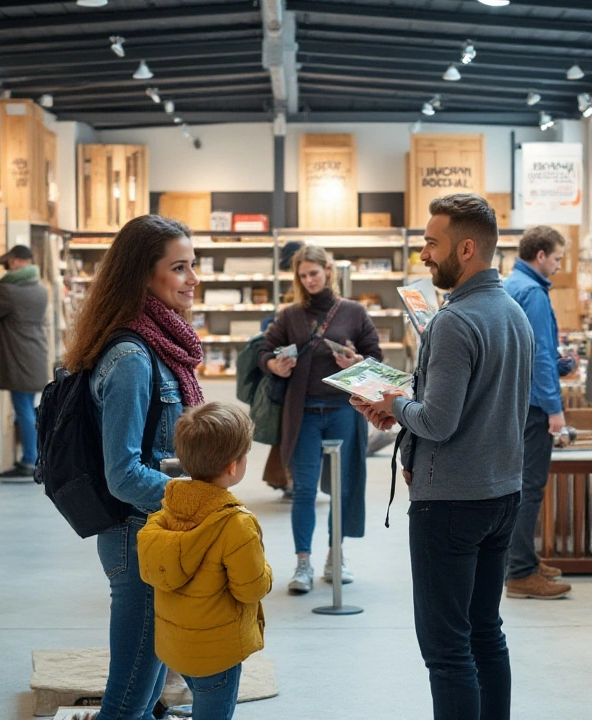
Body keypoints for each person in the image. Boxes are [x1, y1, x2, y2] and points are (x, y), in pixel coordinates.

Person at [355, 194, 532, 720]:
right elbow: (471, 404)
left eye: (433, 243)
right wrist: (403, 409)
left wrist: (395, 404)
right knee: (485, 632)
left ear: (468, 248)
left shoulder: (453, 323)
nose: (425, 255)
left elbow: (438, 422)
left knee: (446, 648)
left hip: (452, 503)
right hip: (502, 493)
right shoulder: (512, 312)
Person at [61, 215, 205, 720]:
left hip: (156, 532)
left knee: (145, 696)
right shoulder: (133, 358)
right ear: (143, 275)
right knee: (127, 702)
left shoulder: (162, 348)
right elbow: (122, 475)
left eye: (193, 265)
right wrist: (199, 498)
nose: (193, 279)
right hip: (137, 536)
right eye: (180, 267)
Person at [257, 244, 381, 594]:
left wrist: (355, 362)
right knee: (305, 491)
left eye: (314, 273)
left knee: (342, 490)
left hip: (344, 409)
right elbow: (264, 352)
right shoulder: (290, 315)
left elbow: (375, 356)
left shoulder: (354, 312)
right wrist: (273, 364)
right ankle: (302, 562)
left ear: (328, 270)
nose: (309, 280)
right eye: (302, 276)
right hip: (304, 413)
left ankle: (335, 556)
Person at [137, 402, 272, 720]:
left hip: (177, 645)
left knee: (201, 696)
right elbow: (250, 589)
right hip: (218, 652)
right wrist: (266, 571)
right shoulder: (235, 523)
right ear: (232, 467)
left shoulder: (167, 509)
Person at [501, 225, 574, 600]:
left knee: (519, 486)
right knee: (530, 488)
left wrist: (558, 366)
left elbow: (528, 352)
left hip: (516, 401)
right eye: (558, 258)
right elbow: (539, 356)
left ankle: (521, 557)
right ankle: (521, 573)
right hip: (532, 406)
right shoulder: (532, 292)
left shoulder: (513, 284)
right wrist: (554, 410)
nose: (560, 266)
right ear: (541, 255)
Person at [0, 244, 51, 478]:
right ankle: (37, 458)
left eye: (10, 263)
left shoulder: (8, 292)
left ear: (18, 262)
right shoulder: (41, 290)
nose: (8, 268)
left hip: (17, 359)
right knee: (29, 409)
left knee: (23, 409)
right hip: (35, 356)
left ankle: (30, 460)